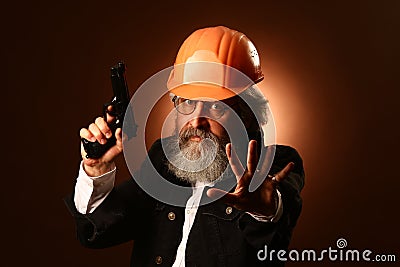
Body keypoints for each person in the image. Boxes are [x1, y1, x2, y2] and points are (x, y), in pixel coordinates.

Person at [65, 26, 305, 266]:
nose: (196, 121)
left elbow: (274, 236)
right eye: (188, 102)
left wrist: (265, 209)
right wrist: (96, 170)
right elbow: (98, 233)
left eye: (215, 106)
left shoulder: (276, 164)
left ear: (247, 115)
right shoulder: (163, 159)